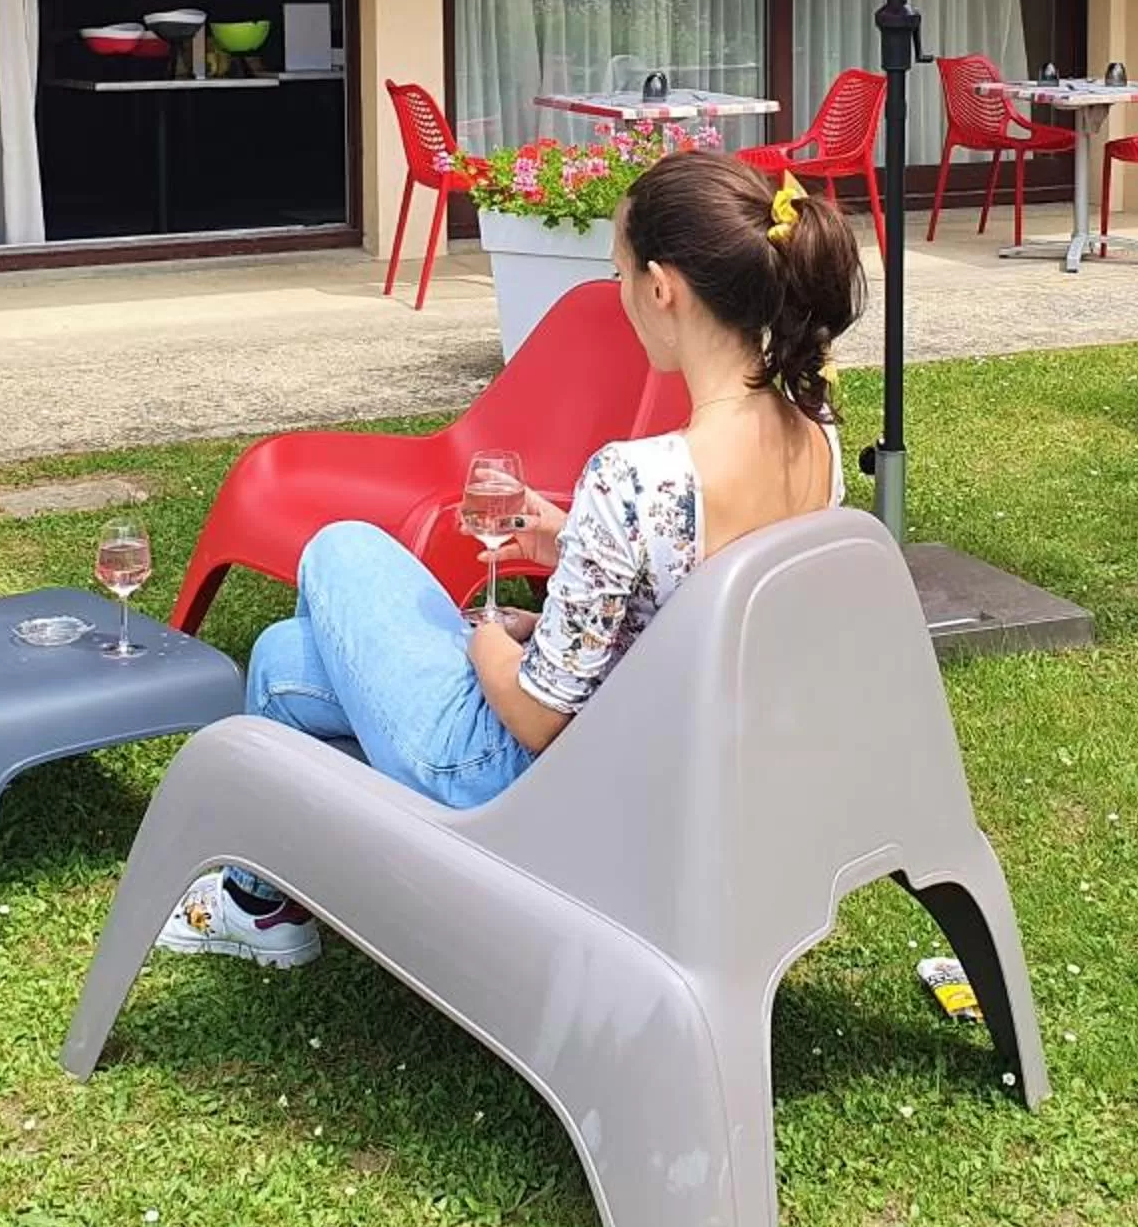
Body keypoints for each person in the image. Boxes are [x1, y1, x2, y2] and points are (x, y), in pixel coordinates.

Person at [158, 147, 865, 967]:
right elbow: (701, 595)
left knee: (340, 547)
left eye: (622, 275)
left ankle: (276, 894)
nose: (624, 298)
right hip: (670, 763)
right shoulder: (816, 441)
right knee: (286, 660)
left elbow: (533, 718)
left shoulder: (635, 477)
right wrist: (572, 549)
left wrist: (485, 638)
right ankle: (261, 902)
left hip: (524, 781)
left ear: (663, 289)